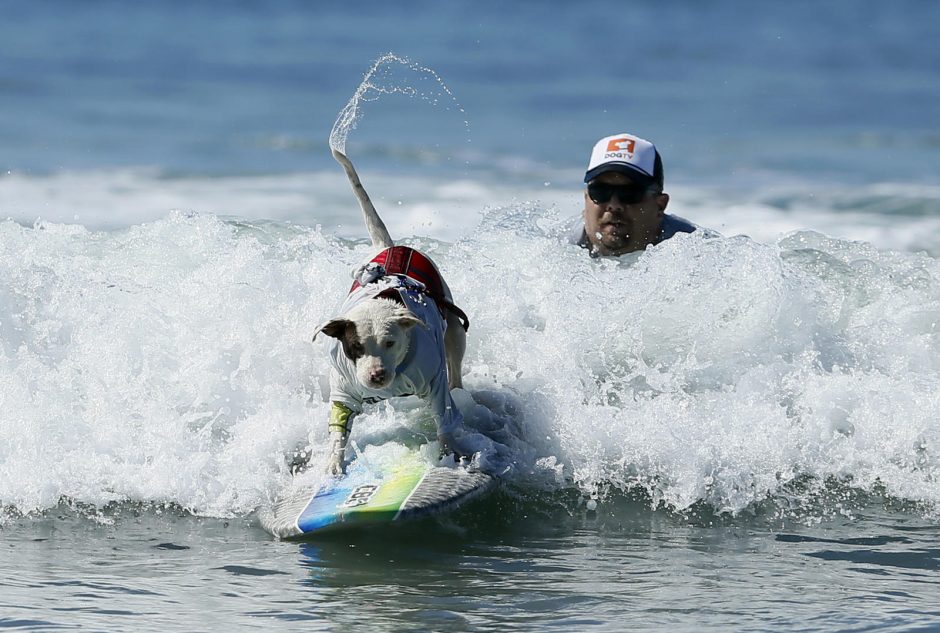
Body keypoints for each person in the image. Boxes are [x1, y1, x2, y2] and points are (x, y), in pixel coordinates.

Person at [576, 132, 700, 257]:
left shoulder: (698, 252)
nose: (614, 205)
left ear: (660, 205)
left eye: (629, 192)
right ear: (586, 198)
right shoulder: (559, 247)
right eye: (600, 191)